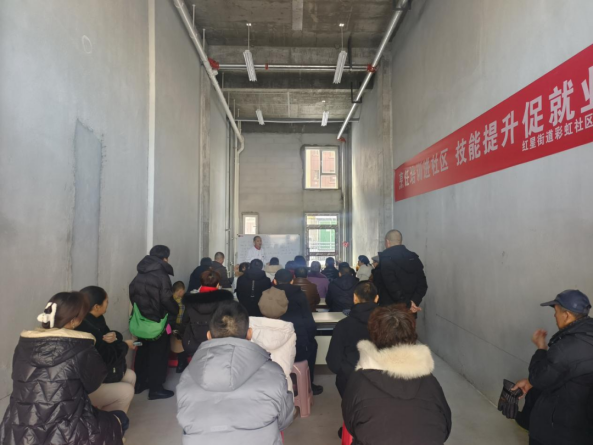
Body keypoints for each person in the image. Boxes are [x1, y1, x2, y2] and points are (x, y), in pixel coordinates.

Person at [0, 292, 127, 445]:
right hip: (65, 428)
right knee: (120, 418)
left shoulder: (23, 344)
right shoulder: (81, 346)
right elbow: (93, 384)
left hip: (18, 427)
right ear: (73, 320)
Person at [177, 301, 294, 445]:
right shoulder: (273, 372)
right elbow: (284, 420)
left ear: (208, 335)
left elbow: (187, 423)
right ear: (249, 333)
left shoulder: (187, 376)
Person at [342, 306, 452, 444]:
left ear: (374, 337)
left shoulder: (359, 380)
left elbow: (350, 422)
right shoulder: (430, 383)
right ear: (412, 336)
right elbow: (445, 425)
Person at [513, 290, 593, 445]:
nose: (554, 316)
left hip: (558, 431)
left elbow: (538, 378)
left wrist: (541, 348)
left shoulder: (565, 348)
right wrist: (529, 383)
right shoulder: (587, 338)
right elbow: (571, 375)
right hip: (585, 429)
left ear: (567, 315)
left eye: (556, 312)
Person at [129, 245, 179, 400]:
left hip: (142, 322)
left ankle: (139, 384)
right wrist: (175, 309)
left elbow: (132, 292)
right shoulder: (161, 275)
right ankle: (156, 389)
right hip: (158, 322)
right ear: (165, 258)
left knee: (142, 351)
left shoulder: (140, 273)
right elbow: (166, 298)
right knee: (159, 354)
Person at [77, 286, 137, 414]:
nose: (108, 304)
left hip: (98, 374)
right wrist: (125, 345)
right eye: (106, 302)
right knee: (127, 391)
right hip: (87, 383)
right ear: (96, 306)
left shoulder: (96, 319)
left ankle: (115, 420)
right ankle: (107, 423)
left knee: (130, 376)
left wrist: (115, 336)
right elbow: (107, 357)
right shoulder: (85, 327)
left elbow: (107, 337)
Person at [274, 269, 324, 396]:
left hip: (274, 345)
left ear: (274, 281)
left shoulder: (267, 295)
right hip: (298, 344)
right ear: (292, 281)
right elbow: (308, 319)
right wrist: (310, 337)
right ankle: (309, 384)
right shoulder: (299, 295)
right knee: (313, 346)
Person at [327, 281, 379, 397]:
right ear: (376, 298)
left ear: (355, 298)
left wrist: (346, 370)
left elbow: (333, 362)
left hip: (350, 379)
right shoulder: (388, 324)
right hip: (382, 381)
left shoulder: (343, 325)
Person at [252, 287, 297, 391]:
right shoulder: (289, 330)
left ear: (260, 305)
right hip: (282, 384)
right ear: (285, 307)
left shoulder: (249, 329)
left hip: (254, 383)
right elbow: (291, 358)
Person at [181, 271, 234, 357]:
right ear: (218, 285)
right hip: (219, 345)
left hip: (193, 345)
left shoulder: (191, 301)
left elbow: (184, 323)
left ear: (201, 284)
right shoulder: (226, 302)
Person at [379, 230, 428, 314]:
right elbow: (422, 285)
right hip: (410, 312)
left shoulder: (385, 259)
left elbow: (392, 286)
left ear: (387, 242)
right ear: (401, 241)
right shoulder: (414, 258)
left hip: (390, 313)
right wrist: (413, 302)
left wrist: (407, 304)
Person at [171, 281, 189, 374]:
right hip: (178, 328)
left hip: (169, 327)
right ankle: (181, 365)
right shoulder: (182, 303)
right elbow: (183, 318)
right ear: (181, 291)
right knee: (181, 346)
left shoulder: (168, 300)